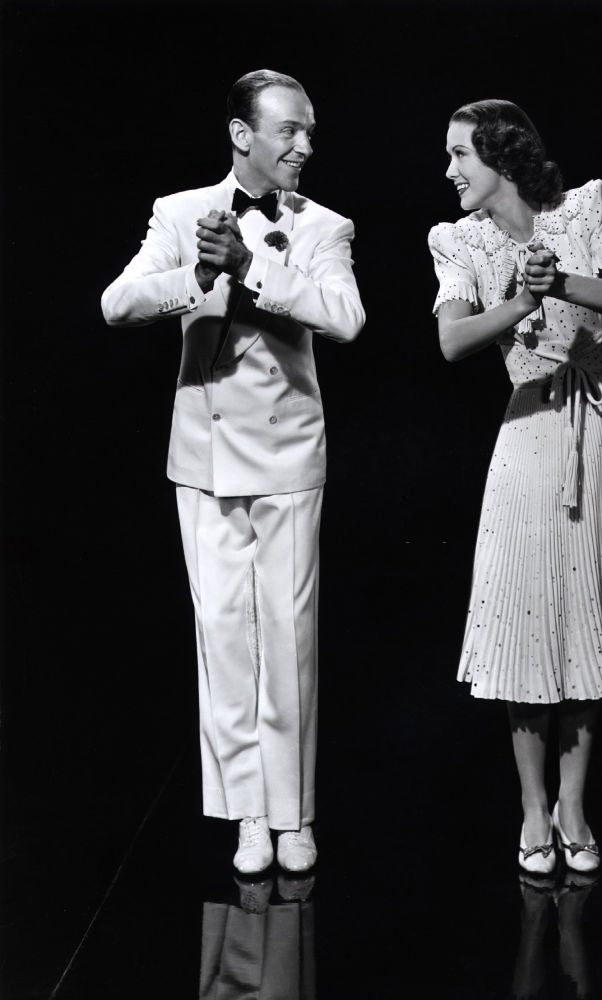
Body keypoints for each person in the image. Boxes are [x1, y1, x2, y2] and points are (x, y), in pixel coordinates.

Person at [102, 70, 365, 874]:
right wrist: (202, 279)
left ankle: (294, 816)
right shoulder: (181, 214)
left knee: (287, 640)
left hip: (287, 456)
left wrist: (253, 266)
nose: (305, 146)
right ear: (242, 136)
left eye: (309, 131)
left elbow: (346, 318)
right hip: (205, 459)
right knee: (222, 639)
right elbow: (117, 304)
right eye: (289, 130)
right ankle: (249, 814)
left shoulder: (325, 225)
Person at [428, 100, 602, 874]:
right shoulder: (457, 239)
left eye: (461, 154)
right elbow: (451, 339)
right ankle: (533, 806)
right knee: (529, 613)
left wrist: (561, 276)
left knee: (590, 608)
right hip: (531, 434)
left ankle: (574, 800)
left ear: (501, 155)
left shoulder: (585, 206)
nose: (450, 171)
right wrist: (523, 301)